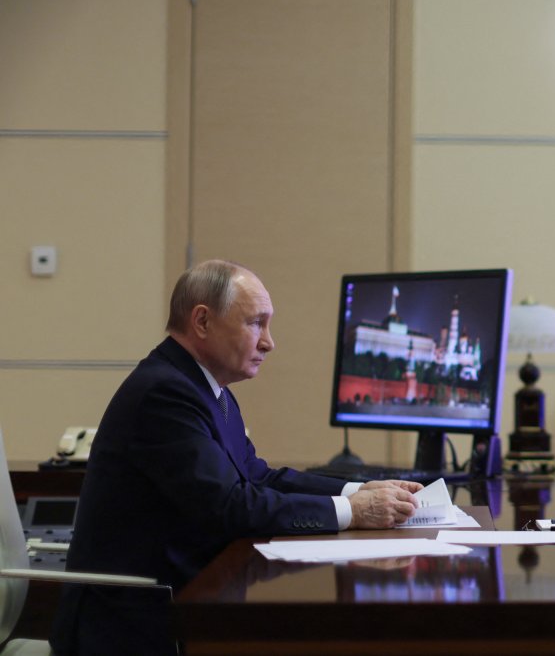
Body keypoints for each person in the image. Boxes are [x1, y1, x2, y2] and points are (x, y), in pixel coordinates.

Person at [51, 260, 425, 654]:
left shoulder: (209, 391)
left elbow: (257, 477)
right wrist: (353, 511)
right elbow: (230, 506)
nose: (269, 342)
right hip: (132, 624)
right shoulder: (164, 394)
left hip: (183, 603)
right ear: (202, 322)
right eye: (255, 323)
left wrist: (359, 489)